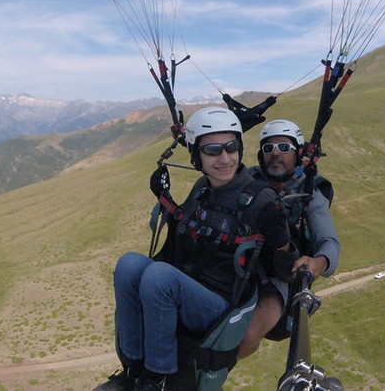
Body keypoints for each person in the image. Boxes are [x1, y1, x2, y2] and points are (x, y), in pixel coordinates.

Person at [94, 107, 298, 391]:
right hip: (189, 287)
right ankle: (132, 368)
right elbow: (186, 236)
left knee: (159, 277)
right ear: (196, 156)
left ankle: (158, 379)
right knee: (129, 264)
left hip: (222, 305)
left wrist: (282, 241)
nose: (225, 158)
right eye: (213, 150)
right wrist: (165, 201)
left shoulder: (262, 200)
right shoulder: (203, 189)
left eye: (231, 147)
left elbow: (285, 272)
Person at [236, 119, 341, 360]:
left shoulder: (309, 194)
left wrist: (319, 263)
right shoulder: (247, 180)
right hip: (239, 262)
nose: (275, 154)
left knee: (248, 334)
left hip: (278, 276)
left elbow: (329, 241)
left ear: (297, 154)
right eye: (268, 148)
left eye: (284, 148)